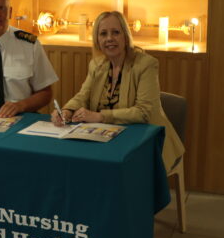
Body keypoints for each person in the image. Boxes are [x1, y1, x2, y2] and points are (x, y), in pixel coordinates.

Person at [51, 10, 184, 171]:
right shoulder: (97, 65)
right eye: (103, 34)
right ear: (97, 40)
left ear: (125, 36)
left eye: (115, 32)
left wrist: (100, 116)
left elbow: (143, 112)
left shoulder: (146, 64)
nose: (109, 39)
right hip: (108, 137)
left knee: (113, 169)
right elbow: (83, 96)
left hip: (146, 141)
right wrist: (66, 110)